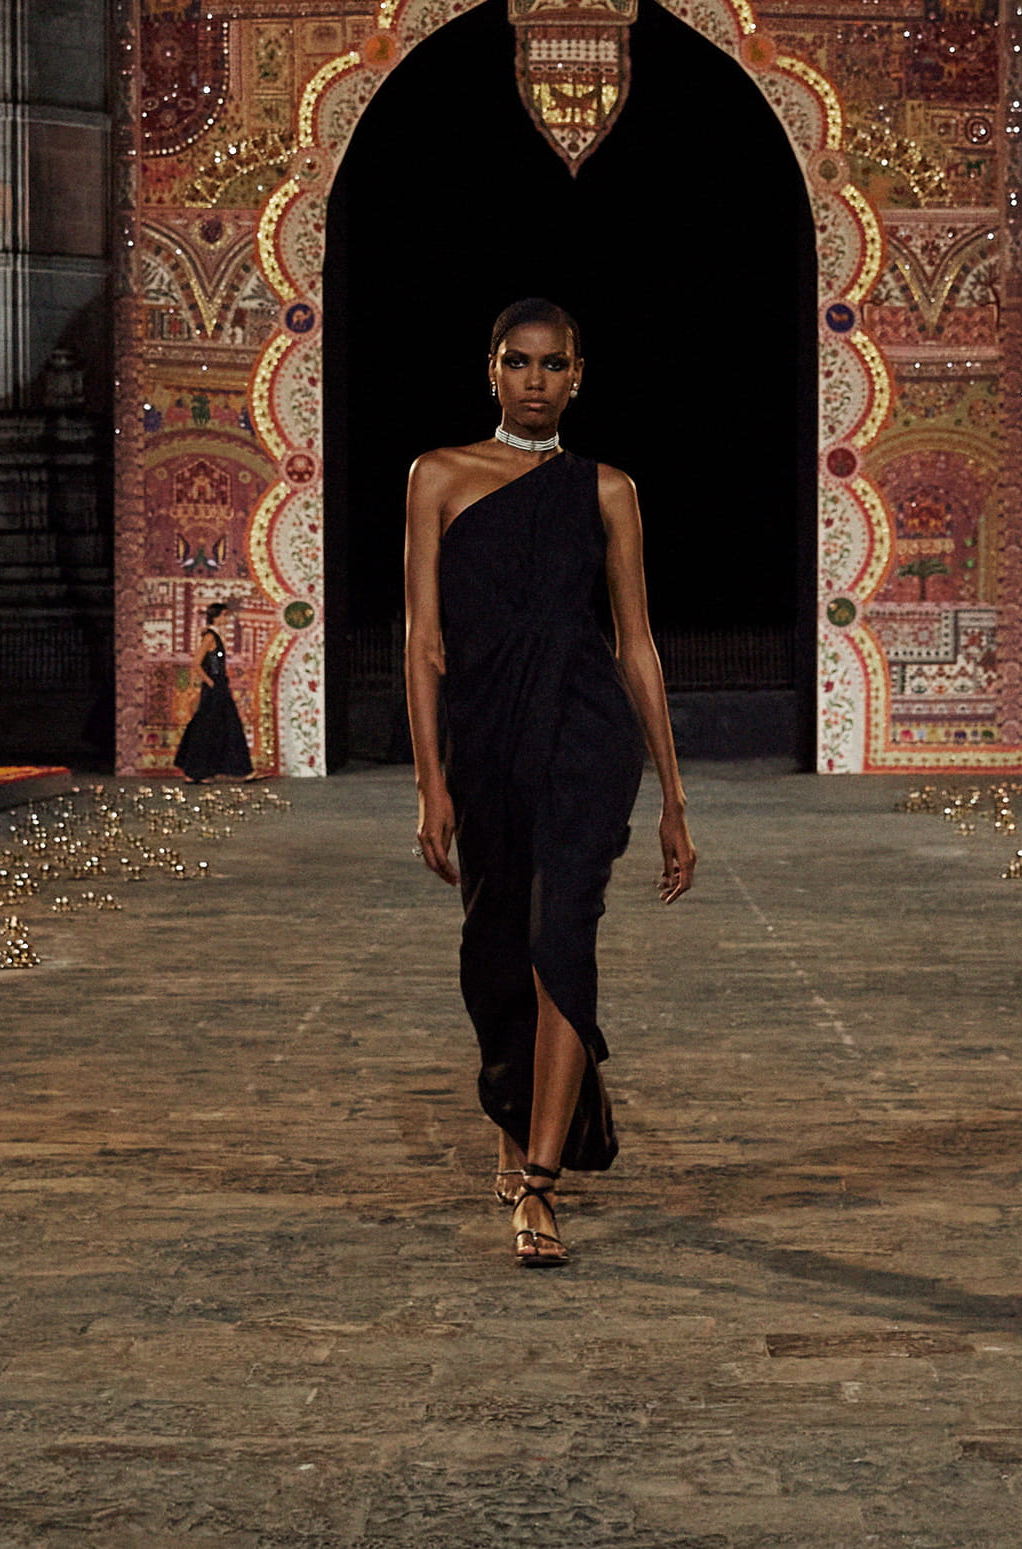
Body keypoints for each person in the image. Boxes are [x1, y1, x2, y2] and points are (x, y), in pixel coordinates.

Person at [404, 297, 697, 1267]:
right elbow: (424, 643)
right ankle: (515, 1106)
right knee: (496, 953)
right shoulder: (437, 476)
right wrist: (430, 781)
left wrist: (673, 798)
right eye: (518, 362)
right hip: (486, 743)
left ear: (579, 376)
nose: (536, 381)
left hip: (584, 738)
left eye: (554, 364)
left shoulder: (609, 489)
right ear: (491, 369)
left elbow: (636, 643)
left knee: (559, 937)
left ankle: (539, 1182)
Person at [174, 602, 254, 782]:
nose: (226, 619)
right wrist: (210, 682)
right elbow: (196, 662)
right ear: (216, 616)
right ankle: (199, 771)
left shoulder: (215, 636)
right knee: (215, 724)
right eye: (224, 615)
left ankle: (202, 771)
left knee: (215, 725)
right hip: (215, 687)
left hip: (219, 685)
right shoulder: (210, 637)